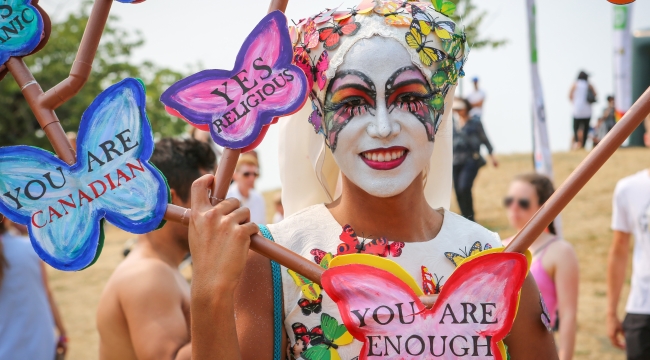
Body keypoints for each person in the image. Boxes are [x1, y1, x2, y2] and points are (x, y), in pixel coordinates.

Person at [186, 4, 557, 360]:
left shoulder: (494, 260)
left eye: (408, 98)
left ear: (438, 112)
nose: (383, 127)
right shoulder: (273, 257)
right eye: (352, 103)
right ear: (321, 121)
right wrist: (208, 290)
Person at [96, 138, 215, 360]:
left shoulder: (162, 269)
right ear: (171, 199)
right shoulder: (148, 274)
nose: (214, 210)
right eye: (207, 198)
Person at [502, 174, 579, 360]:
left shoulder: (560, 252)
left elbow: (568, 315)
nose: (514, 207)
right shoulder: (498, 246)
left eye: (523, 202)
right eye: (509, 201)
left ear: (543, 207)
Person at [607, 115, 650, 359]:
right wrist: (611, 312)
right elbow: (619, 251)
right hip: (642, 309)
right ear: (646, 138)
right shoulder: (629, 189)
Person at [0, 217, 68, 359]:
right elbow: (47, 293)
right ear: (6, 216)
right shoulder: (30, 248)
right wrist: (62, 334)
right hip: (40, 344)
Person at [452, 97, 498, 221]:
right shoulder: (452, 124)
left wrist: (492, 157)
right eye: (456, 109)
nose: (458, 111)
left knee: (464, 187)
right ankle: (465, 218)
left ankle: (471, 218)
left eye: (460, 109)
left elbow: (485, 139)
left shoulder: (475, 123)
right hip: (455, 162)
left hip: (470, 160)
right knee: (458, 192)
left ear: (466, 108)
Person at [227, 153, 266, 224]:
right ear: (235, 176)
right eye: (246, 174)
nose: (252, 178)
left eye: (255, 174)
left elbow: (262, 228)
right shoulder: (226, 198)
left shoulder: (259, 198)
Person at [569, 71, 597, 149]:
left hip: (577, 110)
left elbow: (570, 96)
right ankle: (583, 145)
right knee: (585, 129)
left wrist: (575, 103)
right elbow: (595, 94)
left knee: (575, 128)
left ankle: (577, 143)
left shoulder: (575, 84)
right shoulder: (589, 85)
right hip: (587, 111)